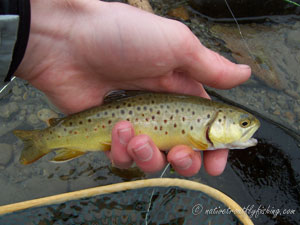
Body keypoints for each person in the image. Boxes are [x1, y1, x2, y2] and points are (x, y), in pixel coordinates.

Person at [0, 0, 251, 177]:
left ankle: (45, 140)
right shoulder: (200, 133)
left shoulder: (203, 124)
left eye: (244, 124)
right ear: (218, 121)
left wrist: (41, 39)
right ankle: (43, 141)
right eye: (243, 124)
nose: (247, 127)